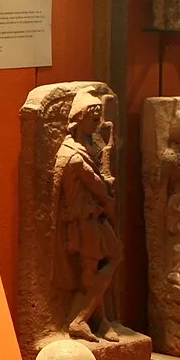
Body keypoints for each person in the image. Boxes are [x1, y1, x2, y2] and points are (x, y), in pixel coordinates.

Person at [56, 91, 122, 340]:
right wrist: (108, 197)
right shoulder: (73, 156)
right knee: (98, 265)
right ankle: (82, 320)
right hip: (84, 220)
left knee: (98, 267)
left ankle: (97, 319)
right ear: (79, 118)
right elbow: (99, 187)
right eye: (93, 120)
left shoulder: (88, 147)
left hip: (95, 217)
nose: (98, 125)